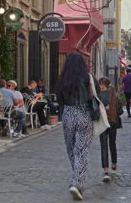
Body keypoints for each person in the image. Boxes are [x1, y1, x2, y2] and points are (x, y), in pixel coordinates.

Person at [56, 52, 100, 201]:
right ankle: (77, 182)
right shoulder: (88, 77)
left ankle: (76, 179)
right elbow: (96, 95)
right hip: (84, 114)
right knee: (81, 151)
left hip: (68, 115)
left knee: (71, 149)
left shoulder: (62, 79)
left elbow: (59, 99)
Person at [98, 77, 121, 183]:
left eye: (99, 85)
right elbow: (120, 111)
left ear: (102, 85)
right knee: (112, 143)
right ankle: (114, 164)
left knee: (103, 145)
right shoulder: (114, 95)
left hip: (102, 123)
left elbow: (94, 110)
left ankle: (106, 171)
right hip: (112, 122)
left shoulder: (98, 96)